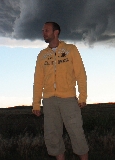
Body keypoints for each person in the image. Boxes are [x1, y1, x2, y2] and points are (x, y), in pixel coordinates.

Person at [33, 22, 89, 160]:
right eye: (43, 30)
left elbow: (80, 74)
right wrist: (36, 103)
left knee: (77, 133)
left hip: (68, 99)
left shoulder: (71, 50)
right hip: (49, 101)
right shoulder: (42, 55)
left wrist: (82, 96)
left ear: (56, 32)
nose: (43, 33)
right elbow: (38, 81)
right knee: (53, 136)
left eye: (46, 30)